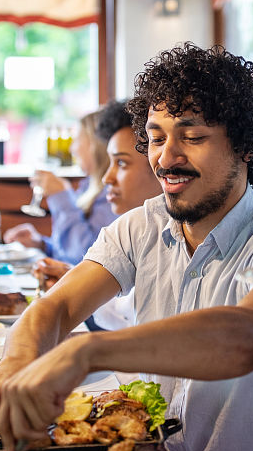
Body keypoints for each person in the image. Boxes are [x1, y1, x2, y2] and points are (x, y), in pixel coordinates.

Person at [0, 43, 253, 451]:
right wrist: (14, 367)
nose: (165, 157)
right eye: (156, 138)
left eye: (192, 138)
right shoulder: (144, 225)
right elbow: (55, 308)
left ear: (248, 146)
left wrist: (85, 353)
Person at [31, 100, 161, 329]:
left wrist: (61, 198)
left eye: (121, 162)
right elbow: (122, 307)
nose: (106, 178)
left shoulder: (128, 215)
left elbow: (83, 254)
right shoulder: (134, 225)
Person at [4, 108, 115, 265]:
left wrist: (62, 196)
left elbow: (85, 256)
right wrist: (41, 244)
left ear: (95, 145)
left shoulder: (111, 194)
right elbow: (68, 255)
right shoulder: (88, 187)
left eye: (77, 140)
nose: (72, 149)